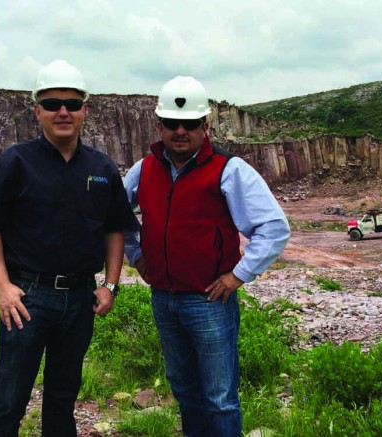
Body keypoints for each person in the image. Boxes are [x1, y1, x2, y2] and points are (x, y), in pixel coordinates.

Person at [0, 59, 139, 437]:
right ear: (37, 111)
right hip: (28, 298)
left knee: (63, 397)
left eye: (72, 104)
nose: (63, 112)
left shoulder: (101, 167)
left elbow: (114, 229)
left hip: (79, 299)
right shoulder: (16, 161)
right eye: (52, 103)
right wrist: (2, 286)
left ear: (84, 111)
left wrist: (110, 285)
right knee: (9, 397)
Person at [123, 76, 291, 436]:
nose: (180, 131)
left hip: (209, 302)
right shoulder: (144, 169)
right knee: (184, 391)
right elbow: (115, 216)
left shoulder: (230, 170)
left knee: (220, 399)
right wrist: (136, 255)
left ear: (205, 125)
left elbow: (274, 227)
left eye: (189, 123)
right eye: (172, 123)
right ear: (159, 125)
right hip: (164, 299)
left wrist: (238, 275)